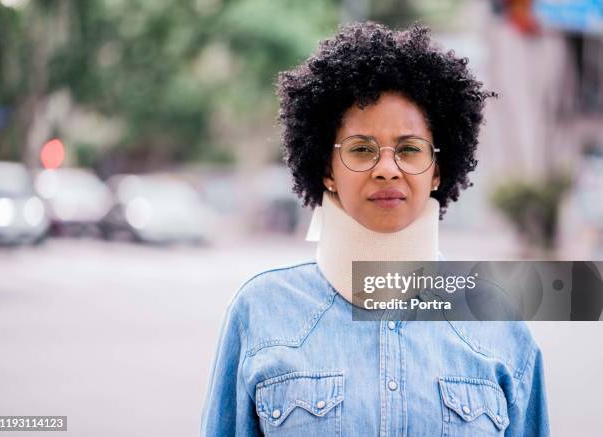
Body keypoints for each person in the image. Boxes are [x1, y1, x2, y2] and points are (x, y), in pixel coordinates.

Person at [201, 21, 550, 436]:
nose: (387, 169)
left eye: (409, 149)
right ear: (326, 170)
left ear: (437, 170)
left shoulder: (499, 320)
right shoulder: (260, 310)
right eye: (362, 149)